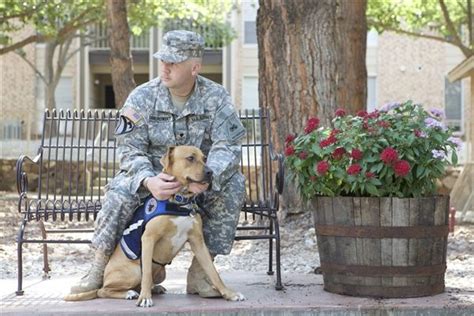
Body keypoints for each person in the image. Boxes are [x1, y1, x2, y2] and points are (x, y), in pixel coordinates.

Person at [70, 30, 246, 298]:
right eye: (163, 60)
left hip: (196, 181)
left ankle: (200, 273)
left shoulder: (216, 97)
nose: (165, 67)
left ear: (194, 67)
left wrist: (205, 180)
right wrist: (148, 180)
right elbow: (129, 149)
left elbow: (228, 147)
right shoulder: (142, 97)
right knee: (118, 192)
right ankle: (98, 269)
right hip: (151, 180)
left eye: (173, 62)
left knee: (233, 184)